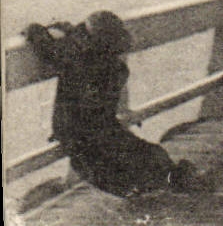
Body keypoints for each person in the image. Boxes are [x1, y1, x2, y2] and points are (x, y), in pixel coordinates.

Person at [24, 13, 209, 197]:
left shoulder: (76, 60)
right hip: (103, 126)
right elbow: (86, 52)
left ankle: (141, 186)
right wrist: (74, 32)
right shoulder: (116, 68)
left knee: (98, 165)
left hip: (78, 134)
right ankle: (170, 178)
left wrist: (34, 29)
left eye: (84, 32)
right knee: (137, 151)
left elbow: (48, 50)